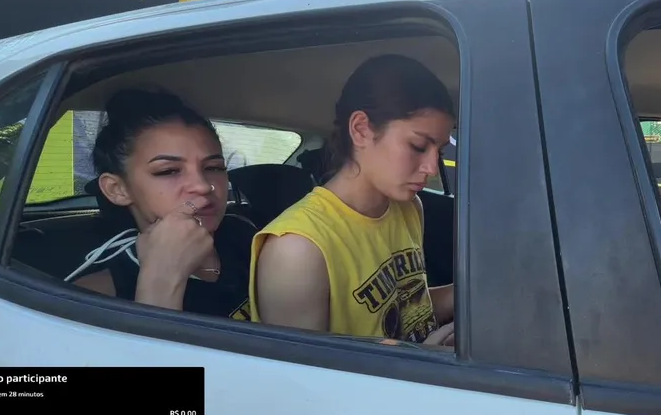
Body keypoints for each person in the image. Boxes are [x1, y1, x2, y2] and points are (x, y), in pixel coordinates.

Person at [250, 54, 456, 346]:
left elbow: (408, 308)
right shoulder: (298, 249)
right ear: (360, 129)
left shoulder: (409, 207)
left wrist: (473, 294)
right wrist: (424, 357)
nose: (432, 169)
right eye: (418, 146)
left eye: (440, 152)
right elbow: (304, 372)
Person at [66, 88, 253, 320]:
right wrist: (161, 281)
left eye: (214, 167)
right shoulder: (94, 298)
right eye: (169, 171)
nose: (203, 186)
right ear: (118, 189)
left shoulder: (248, 236)